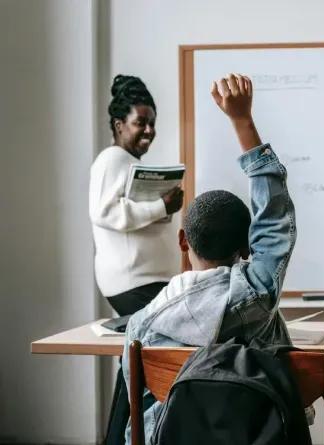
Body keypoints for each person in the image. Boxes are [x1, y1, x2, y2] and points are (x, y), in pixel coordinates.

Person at [122, 72, 297, 443]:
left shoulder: (141, 327)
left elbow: (134, 418)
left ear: (183, 241)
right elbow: (275, 219)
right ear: (246, 249)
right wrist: (243, 121)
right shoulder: (255, 297)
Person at [89, 75, 183, 444]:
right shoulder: (112, 159)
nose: (149, 130)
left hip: (146, 281)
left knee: (137, 363)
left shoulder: (126, 161)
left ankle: (120, 437)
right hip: (133, 282)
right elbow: (105, 213)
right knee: (144, 365)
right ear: (118, 125)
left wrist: (164, 208)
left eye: (152, 123)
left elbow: (130, 215)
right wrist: (162, 205)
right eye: (140, 122)